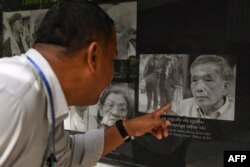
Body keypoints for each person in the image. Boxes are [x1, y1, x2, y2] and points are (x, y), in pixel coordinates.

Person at [0, 1, 171, 167]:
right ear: (93, 58)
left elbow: (68, 158)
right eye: (112, 60)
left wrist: (129, 128)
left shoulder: (43, 101)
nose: (112, 74)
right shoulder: (15, 97)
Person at [173, 55, 235, 120]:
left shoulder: (236, 113)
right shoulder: (178, 109)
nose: (199, 89)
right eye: (194, 80)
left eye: (208, 80)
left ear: (225, 87)